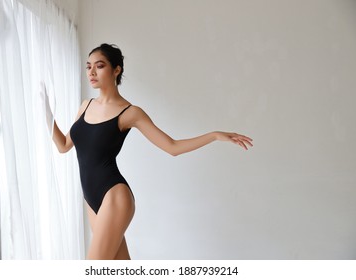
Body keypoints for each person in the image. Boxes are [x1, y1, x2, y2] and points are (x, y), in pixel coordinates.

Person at [45, 43, 253, 260]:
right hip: (91, 199)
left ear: (117, 70)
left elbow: (172, 147)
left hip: (114, 196)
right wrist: (46, 111)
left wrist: (214, 135)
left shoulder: (130, 113)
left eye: (99, 66)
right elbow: (63, 146)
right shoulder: (85, 105)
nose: (92, 72)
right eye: (88, 67)